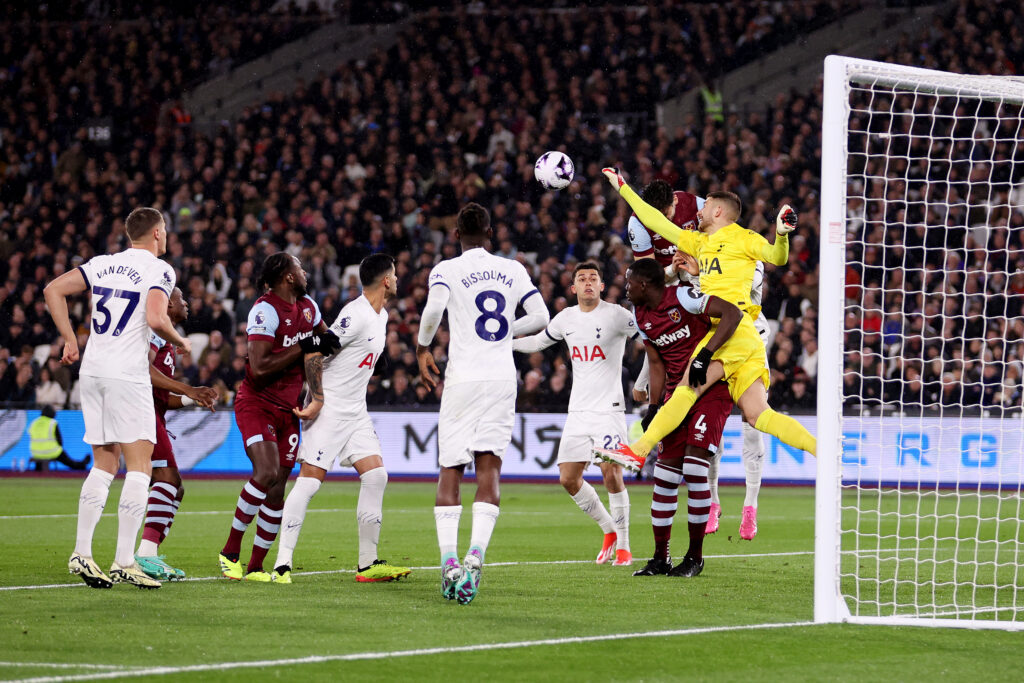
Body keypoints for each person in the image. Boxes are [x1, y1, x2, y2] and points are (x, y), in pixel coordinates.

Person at [601, 168, 816, 468]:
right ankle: (824, 449)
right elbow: (654, 220)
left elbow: (777, 258)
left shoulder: (744, 238)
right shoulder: (698, 243)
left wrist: (781, 235)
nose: (697, 211)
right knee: (759, 415)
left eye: (704, 207)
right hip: (741, 335)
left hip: (732, 329)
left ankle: (637, 450)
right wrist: (622, 186)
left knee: (686, 390)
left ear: (717, 211)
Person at [43, 206, 190, 589]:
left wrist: (70, 339)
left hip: (92, 371)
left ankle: (82, 553)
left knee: (104, 465)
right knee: (140, 468)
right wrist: (180, 339)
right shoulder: (160, 270)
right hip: (128, 375)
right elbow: (158, 319)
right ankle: (126, 559)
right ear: (158, 233)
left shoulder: (103, 263)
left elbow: (52, 290)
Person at [417, 202, 549, 604]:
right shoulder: (513, 269)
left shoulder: (446, 269)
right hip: (500, 378)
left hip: (463, 379)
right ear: (490, 233)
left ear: (455, 234)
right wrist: (506, 334)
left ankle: (448, 562)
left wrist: (423, 347)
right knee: (489, 466)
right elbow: (541, 316)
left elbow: (434, 309)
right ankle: (476, 556)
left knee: (451, 469)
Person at [629, 179, 771, 539]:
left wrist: (695, 270)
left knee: (754, 422)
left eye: (707, 207)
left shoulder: (746, 244)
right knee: (707, 420)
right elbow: (655, 282)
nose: (696, 213)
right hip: (703, 324)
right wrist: (682, 271)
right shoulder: (690, 239)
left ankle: (750, 506)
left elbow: (739, 288)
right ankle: (713, 501)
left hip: (745, 328)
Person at [272, 254, 411, 584]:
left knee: (376, 476)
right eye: (394, 275)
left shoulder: (382, 316)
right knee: (309, 482)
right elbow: (314, 349)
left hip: (356, 412)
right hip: (330, 409)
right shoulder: (357, 314)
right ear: (385, 281)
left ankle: (368, 564)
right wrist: (317, 397)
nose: (397, 279)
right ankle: (282, 565)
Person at [615, 258, 742, 578]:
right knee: (666, 476)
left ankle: (695, 558)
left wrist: (706, 354)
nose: (626, 287)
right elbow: (656, 363)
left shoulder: (685, 297)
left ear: (644, 284)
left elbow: (732, 313)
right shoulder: (640, 315)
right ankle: (661, 558)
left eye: (629, 281)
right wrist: (655, 406)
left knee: (694, 467)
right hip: (676, 395)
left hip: (710, 389)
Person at [218, 253, 340, 582]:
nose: (304, 272)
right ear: (287, 276)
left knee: (278, 489)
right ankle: (230, 551)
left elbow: (325, 343)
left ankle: (256, 565)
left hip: (289, 411)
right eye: (299, 267)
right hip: (256, 403)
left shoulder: (309, 307)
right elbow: (258, 369)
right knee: (267, 471)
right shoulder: (265, 310)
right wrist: (305, 344)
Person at [512, 261, 637, 566]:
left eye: (594, 278)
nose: (588, 283)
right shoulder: (565, 318)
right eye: (582, 279)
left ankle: (624, 547)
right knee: (568, 478)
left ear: (602, 286)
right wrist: (507, 344)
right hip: (578, 410)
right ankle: (608, 530)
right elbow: (540, 342)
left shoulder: (619, 316)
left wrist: (645, 381)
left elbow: (648, 342)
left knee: (612, 473)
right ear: (574, 288)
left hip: (609, 409)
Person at [135, 287, 218, 581]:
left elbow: (161, 395)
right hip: (141, 411)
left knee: (175, 488)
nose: (187, 304)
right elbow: (144, 372)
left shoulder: (166, 340)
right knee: (167, 479)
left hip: (151, 410)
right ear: (167, 305)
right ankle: (145, 554)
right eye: (182, 299)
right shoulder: (154, 332)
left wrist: (189, 399)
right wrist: (187, 388)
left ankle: (149, 552)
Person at [27, 405, 90, 471]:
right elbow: (59, 440)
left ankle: (38, 470)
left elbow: (30, 437)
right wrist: (60, 449)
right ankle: (81, 465)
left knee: (41, 462)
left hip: (35, 452)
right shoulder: (52, 423)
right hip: (51, 451)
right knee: (69, 462)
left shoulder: (34, 422)